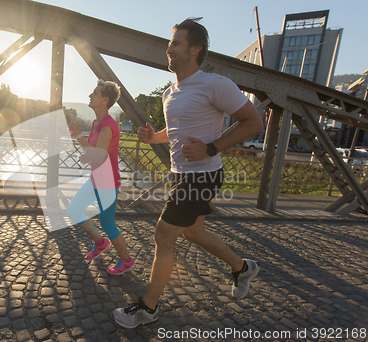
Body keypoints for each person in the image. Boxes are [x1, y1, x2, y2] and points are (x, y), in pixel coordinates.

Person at [113, 18, 264, 328]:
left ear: (195, 49)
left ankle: (148, 308)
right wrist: (152, 138)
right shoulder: (171, 92)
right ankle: (242, 267)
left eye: (176, 43)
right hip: (181, 173)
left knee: (163, 235)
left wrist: (212, 147)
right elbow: (177, 131)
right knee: (193, 232)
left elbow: (253, 122)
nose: (169, 49)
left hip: (203, 175)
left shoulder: (215, 84)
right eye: (169, 43)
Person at [67, 80, 135, 275]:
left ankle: (127, 261)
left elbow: (100, 155)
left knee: (107, 223)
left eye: (95, 93)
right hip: (95, 178)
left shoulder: (107, 126)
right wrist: (87, 155)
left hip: (107, 182)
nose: (90, 95)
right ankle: (100, 242)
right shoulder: (97, 122)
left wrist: (79, 136)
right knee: (73, 211)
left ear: (105, 100)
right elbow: (95, 152)